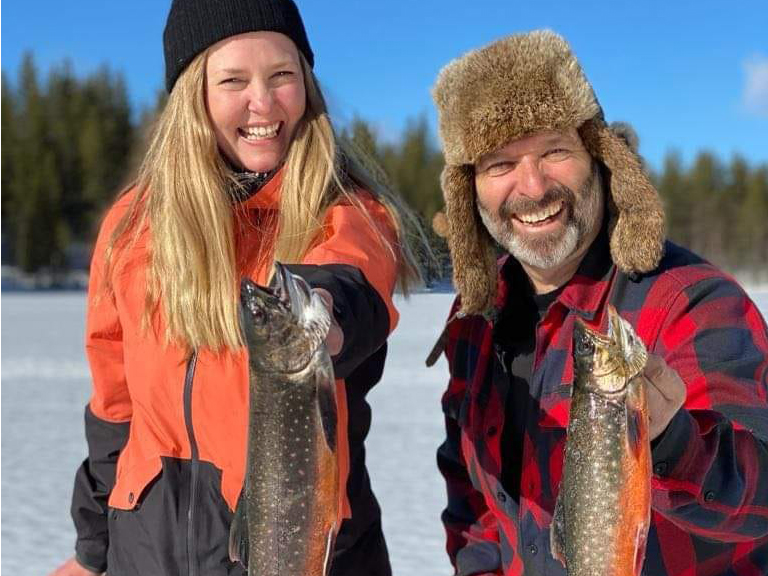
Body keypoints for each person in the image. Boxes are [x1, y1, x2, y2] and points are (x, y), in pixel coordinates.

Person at [49, 1, 425, 575]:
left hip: (306, 551)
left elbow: (352, 275)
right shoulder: (133, 228)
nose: (264, 102)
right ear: (192, 95)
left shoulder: (346, 210)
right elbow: (115, 408)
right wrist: (92, 550)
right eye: (233, 80)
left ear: (307, 82)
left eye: (282, 76)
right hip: (147, 555)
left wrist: (321, 308)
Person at [430, 30, 768, 576]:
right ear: (470, 189)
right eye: (500, 164)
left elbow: (761, 500)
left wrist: (676, 442)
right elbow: (474, 505)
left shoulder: (686, 300)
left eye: (554, 151)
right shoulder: (476, 322)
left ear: (600, 157)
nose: (533, 185)